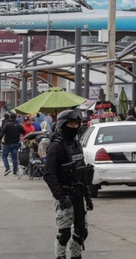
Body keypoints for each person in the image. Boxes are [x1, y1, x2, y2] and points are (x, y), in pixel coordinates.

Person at [43, 110, 94, 259]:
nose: (75, 126)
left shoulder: (76, 144)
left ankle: (76, 256)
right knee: (64, 233)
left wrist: (88, 196)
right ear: (62, 125)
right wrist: (61, 197)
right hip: (65, 195)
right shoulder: (56, 147)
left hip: (79, 195)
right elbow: (49, 174)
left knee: (81, 231)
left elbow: (82, 172)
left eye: (77, 123)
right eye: (71, 123)